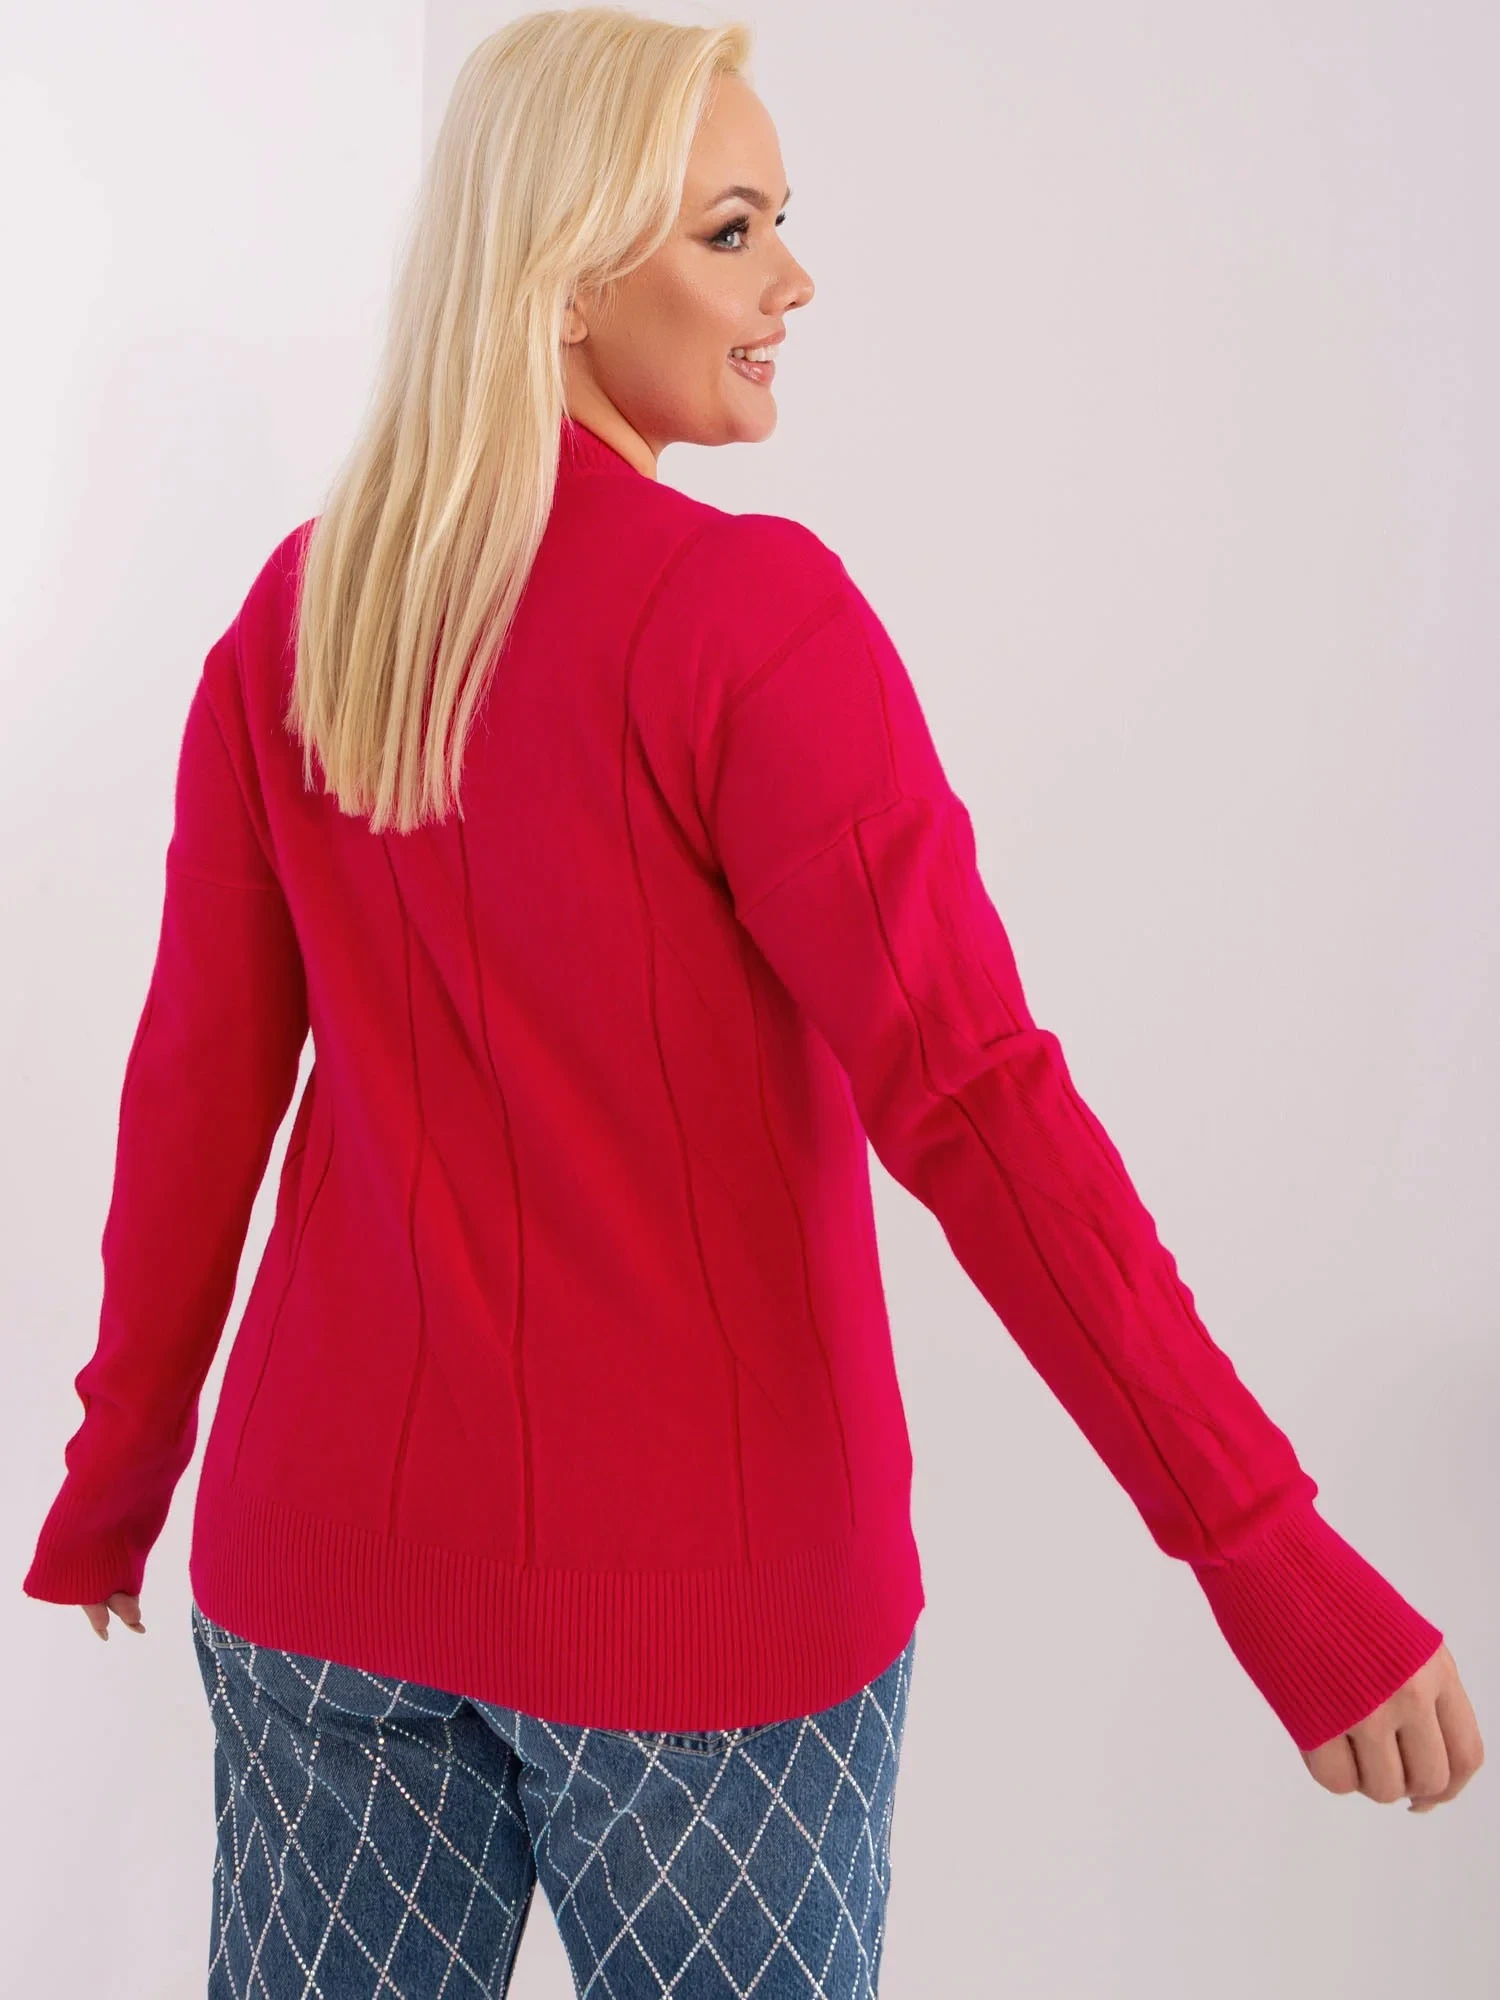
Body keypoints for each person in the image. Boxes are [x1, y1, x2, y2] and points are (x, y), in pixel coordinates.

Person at [20, 8, 1484, 1997]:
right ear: (561, 273)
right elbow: (980, 1108)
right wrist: (1266, 1549)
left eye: (780, 220)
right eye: (731, 230)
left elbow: (195, 1084)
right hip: (708, 1636)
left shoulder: (303, 613)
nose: (793, 279)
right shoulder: (744, 623)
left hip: (320, 1580)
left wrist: (121, 1477)